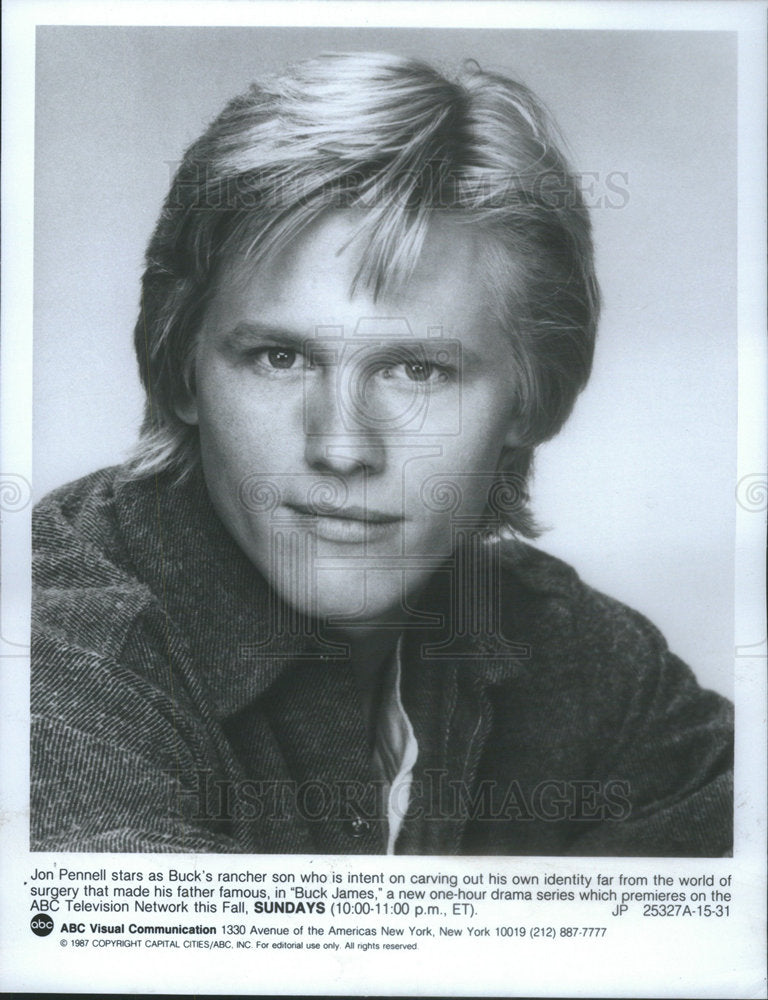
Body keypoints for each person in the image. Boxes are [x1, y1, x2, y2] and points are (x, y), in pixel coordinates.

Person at [31, 51, 732, 855]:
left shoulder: (581, 659)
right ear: (179, 366)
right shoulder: (50, 668)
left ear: (533, 398)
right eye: (279, 358)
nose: (341, 447)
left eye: (416, 370)